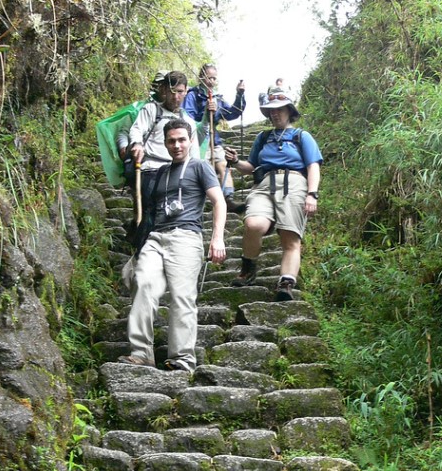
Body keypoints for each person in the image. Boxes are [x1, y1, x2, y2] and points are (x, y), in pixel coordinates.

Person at [119, 119, 227, 372]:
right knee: (143, 283)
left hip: (186, 237)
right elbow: (128, 178)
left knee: (181, 297)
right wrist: (134, 152)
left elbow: (219, 202)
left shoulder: (201, 167)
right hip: (156, 237)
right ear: (165, 143)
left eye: (181, 140)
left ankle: (182, 358)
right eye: (171, 141)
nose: (176, 145)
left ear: (190, 141)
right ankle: (141, 352)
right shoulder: (159, 174)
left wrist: (217, 237)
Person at [224, 88, 322, 302]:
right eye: (271, 111)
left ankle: (286, 283)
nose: (274, 114)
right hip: (264, 183)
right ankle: (248, 268)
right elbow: (250, 167)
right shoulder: (263, 137)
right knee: (253, 224)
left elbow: (313, 166)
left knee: (289, 235)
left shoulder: (301, 136)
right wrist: (234, 161)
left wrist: (312, 194)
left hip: (294, 183)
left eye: (279, 110)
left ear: (289, 111)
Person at [128, 71, 201, 200]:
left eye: (179, 92)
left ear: (186, 92)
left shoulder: (189, 122)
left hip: (179, 172)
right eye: (171, 91)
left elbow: (194, 153)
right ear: (164, 91)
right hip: (151, 169)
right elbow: (137, 130)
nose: (175, 96)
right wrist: (137, 144)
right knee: (150, 214)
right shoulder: (151, 110)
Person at [183, 65, 246, 211]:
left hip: (214, 139)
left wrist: (239, 95)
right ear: (201, 77)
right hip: (198, 140)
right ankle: (198, 200)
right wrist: (205, 114)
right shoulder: (192, 95)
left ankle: (228, 198)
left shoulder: (217, 98)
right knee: (201, 168)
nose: (212, 81)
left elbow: (233, 113)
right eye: (209, 78)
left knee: (223, 164)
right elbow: (187, 117)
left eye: (214, 78)